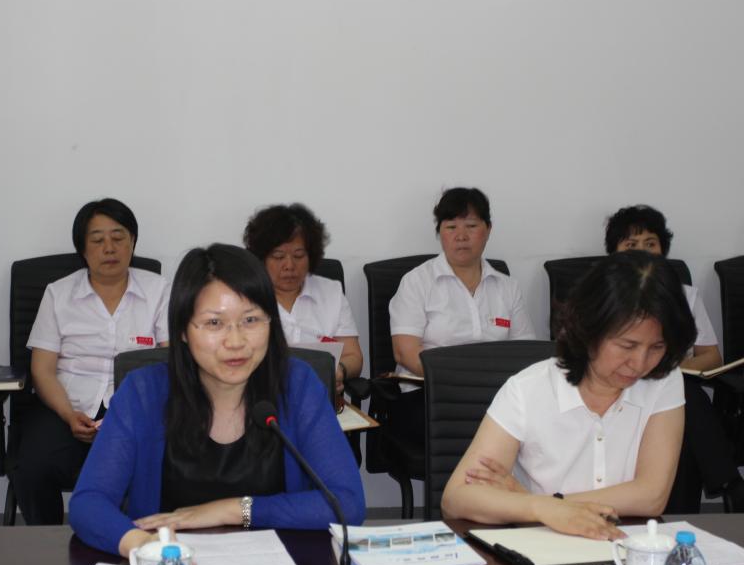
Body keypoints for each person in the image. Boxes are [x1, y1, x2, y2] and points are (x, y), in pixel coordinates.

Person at [69, 244, 365, 556]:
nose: (235, 341)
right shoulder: (143, 393)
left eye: (251, 320)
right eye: (214, 323)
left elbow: (347, 504)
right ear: (183, 330)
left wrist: (235, 510)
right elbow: (89, 503)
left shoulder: (297, 386)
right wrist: (145, 546)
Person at [441, 251, 697, 539]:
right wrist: (541, 509)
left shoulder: (664, 380)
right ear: (589, 331)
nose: (639, 363)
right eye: (627, 346)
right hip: (544, 545)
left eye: (657, 347)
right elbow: (456, 498)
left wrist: (544, 503)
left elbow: (651, 496)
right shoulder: (528, 389)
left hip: (628, 545)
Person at [16, 198, 169, 525]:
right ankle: (47, 542)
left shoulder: (159, 291)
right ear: (82, 249)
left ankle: (134, 539)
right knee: (31, 466)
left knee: (156, 464)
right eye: (97, 240)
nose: (109, 248)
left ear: (132, 242)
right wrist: (69, 414)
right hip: (67, 408)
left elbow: (169, 362)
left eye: (118, 237)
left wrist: (125, 416)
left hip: (136, 410)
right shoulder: (58, 294)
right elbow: (42, 370)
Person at [605, 204, 744, 511]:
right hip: (617, 384)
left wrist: (667, 371)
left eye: (650, 244)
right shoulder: (602, 297)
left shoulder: (685, 296)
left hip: (671, 386)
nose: (642, 252)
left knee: (678, 392)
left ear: (663, 251)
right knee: (686, 395)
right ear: (614, 253)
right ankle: (730, 484)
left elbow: (710, 357)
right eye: (631, 244)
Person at [384, 187, 535, 469]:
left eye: (471, 226)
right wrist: (460, 384)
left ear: (488, 230)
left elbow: (525, 354)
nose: (461, 236)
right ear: (440, 232)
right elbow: (405, 353)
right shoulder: (416, 282)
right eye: (451, 227)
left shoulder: (507, 288)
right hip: (430, 396)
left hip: (496, 396)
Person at [242, 203, 363, 396]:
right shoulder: (245, 296)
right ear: (261, 258)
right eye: (278, 256)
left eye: (298, 256)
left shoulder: (331, 292)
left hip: (319, 397)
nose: (289, 265)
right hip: (261, 398)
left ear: (311, 256)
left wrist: (338, 371)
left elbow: (354, 356)